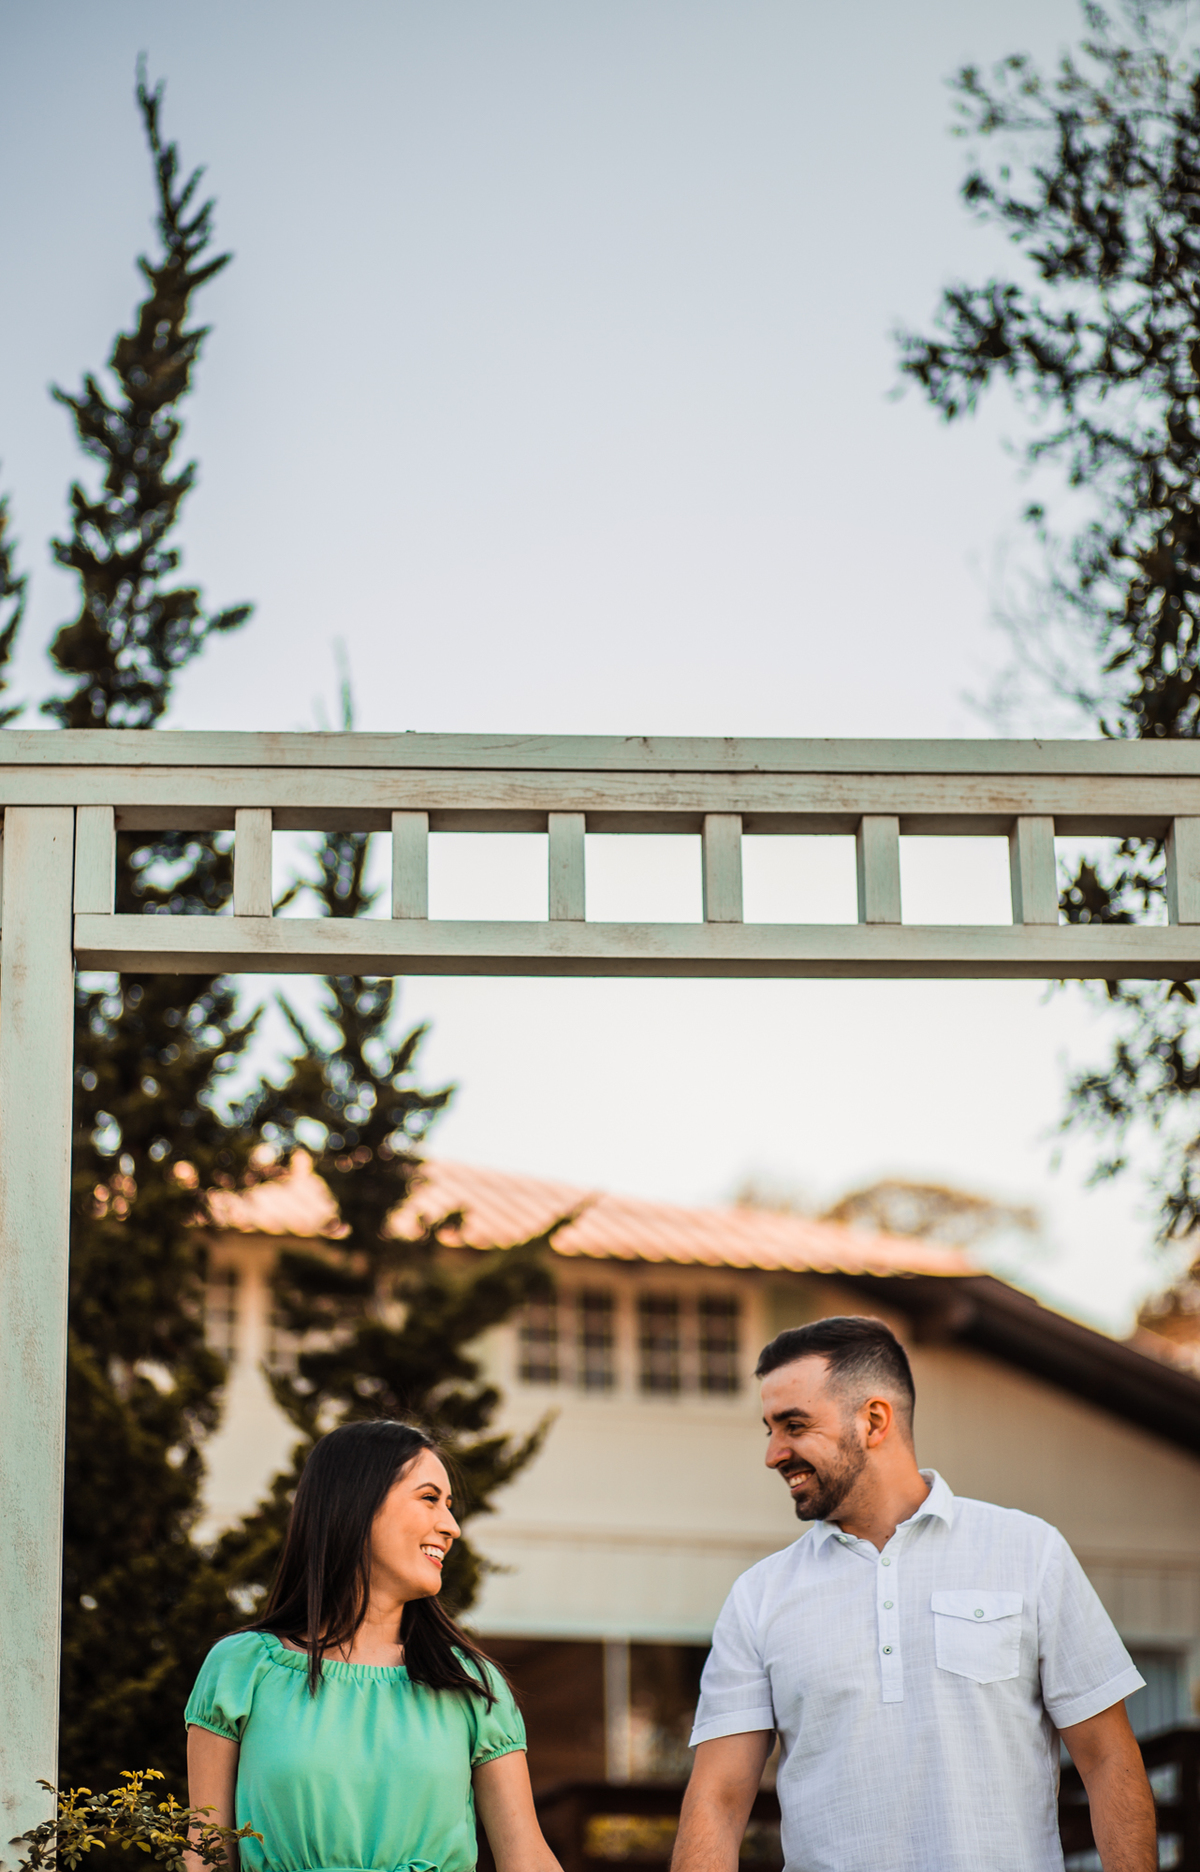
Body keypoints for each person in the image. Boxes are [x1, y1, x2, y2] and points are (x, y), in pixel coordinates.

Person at [672, 1316, 1157, 1872]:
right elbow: (718, 1800)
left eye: (795, 1425)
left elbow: (1106, 1759)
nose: (774, 1453)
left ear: (874, 1420)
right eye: (770, 1430)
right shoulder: (758, 1596)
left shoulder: (1030, 1552)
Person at [184, 1419, 562, 1872]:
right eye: (429, 1499)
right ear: (357, 1503)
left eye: (449, 1506)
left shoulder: (472, 1685)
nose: (452, 1527)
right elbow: (204, 1855)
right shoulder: (242, 1668)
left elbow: (526, 1858)